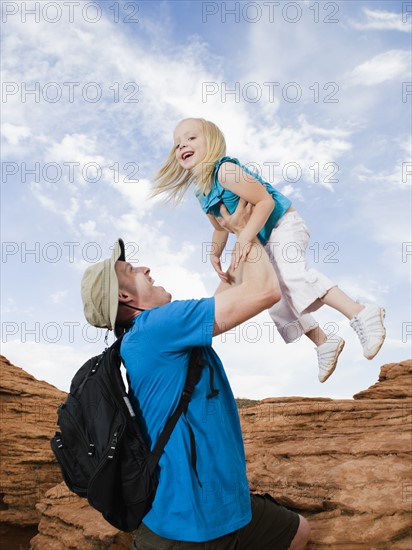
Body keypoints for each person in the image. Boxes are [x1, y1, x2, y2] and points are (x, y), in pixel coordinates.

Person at [81, 201, 311, 549]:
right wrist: (246, 229)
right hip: (200, 525)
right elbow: (265, 292)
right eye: (131, 269)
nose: (146, 268)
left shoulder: (144, 337)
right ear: (125, 296)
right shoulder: (160, 325)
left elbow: (232, 294)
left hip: (164, 519)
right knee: (300, 531)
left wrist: (233, 237)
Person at [152, 117, 386, 383]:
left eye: (191, 138)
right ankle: (323, 342)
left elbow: (263, 201)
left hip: (282, 224)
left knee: (293, 277)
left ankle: (361, 312)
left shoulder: (225, 171)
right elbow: (220, 226)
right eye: (177, 143)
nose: (183, 145)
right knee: (275, 300)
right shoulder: (202, 192)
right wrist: (215, 252)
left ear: (212, 143)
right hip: (261, 240)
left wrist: (244, 238)